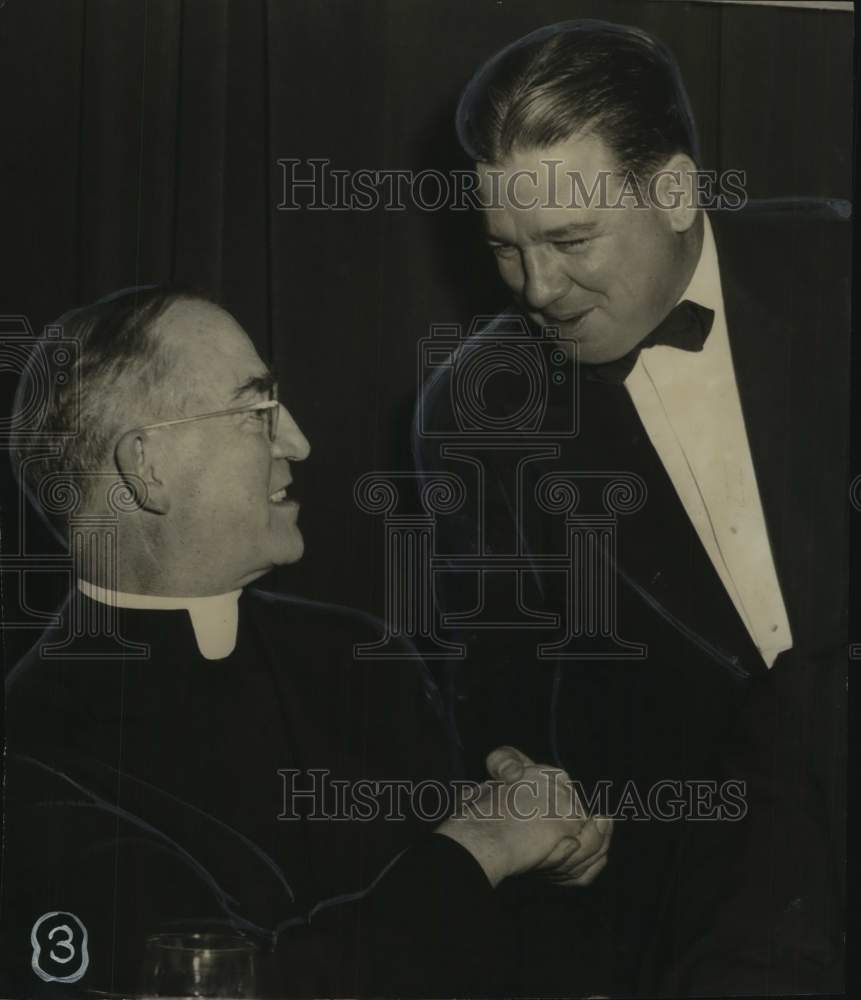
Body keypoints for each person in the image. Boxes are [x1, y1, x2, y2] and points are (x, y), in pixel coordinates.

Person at [1, 287, 613, 998]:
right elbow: (234, 986)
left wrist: (550, 849)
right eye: (257, 411)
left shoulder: (355, 652)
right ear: (147, 466)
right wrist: (484, 846)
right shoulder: (32, 750)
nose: (297, 441)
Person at [414, 19, 848, 996]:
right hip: (704, 907)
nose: (537, 288)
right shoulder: (477, 409)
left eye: (569, 241)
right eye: (506, 250)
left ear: (679, 193)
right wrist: (541, 790)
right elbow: (502, 696)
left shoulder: (842, 268)